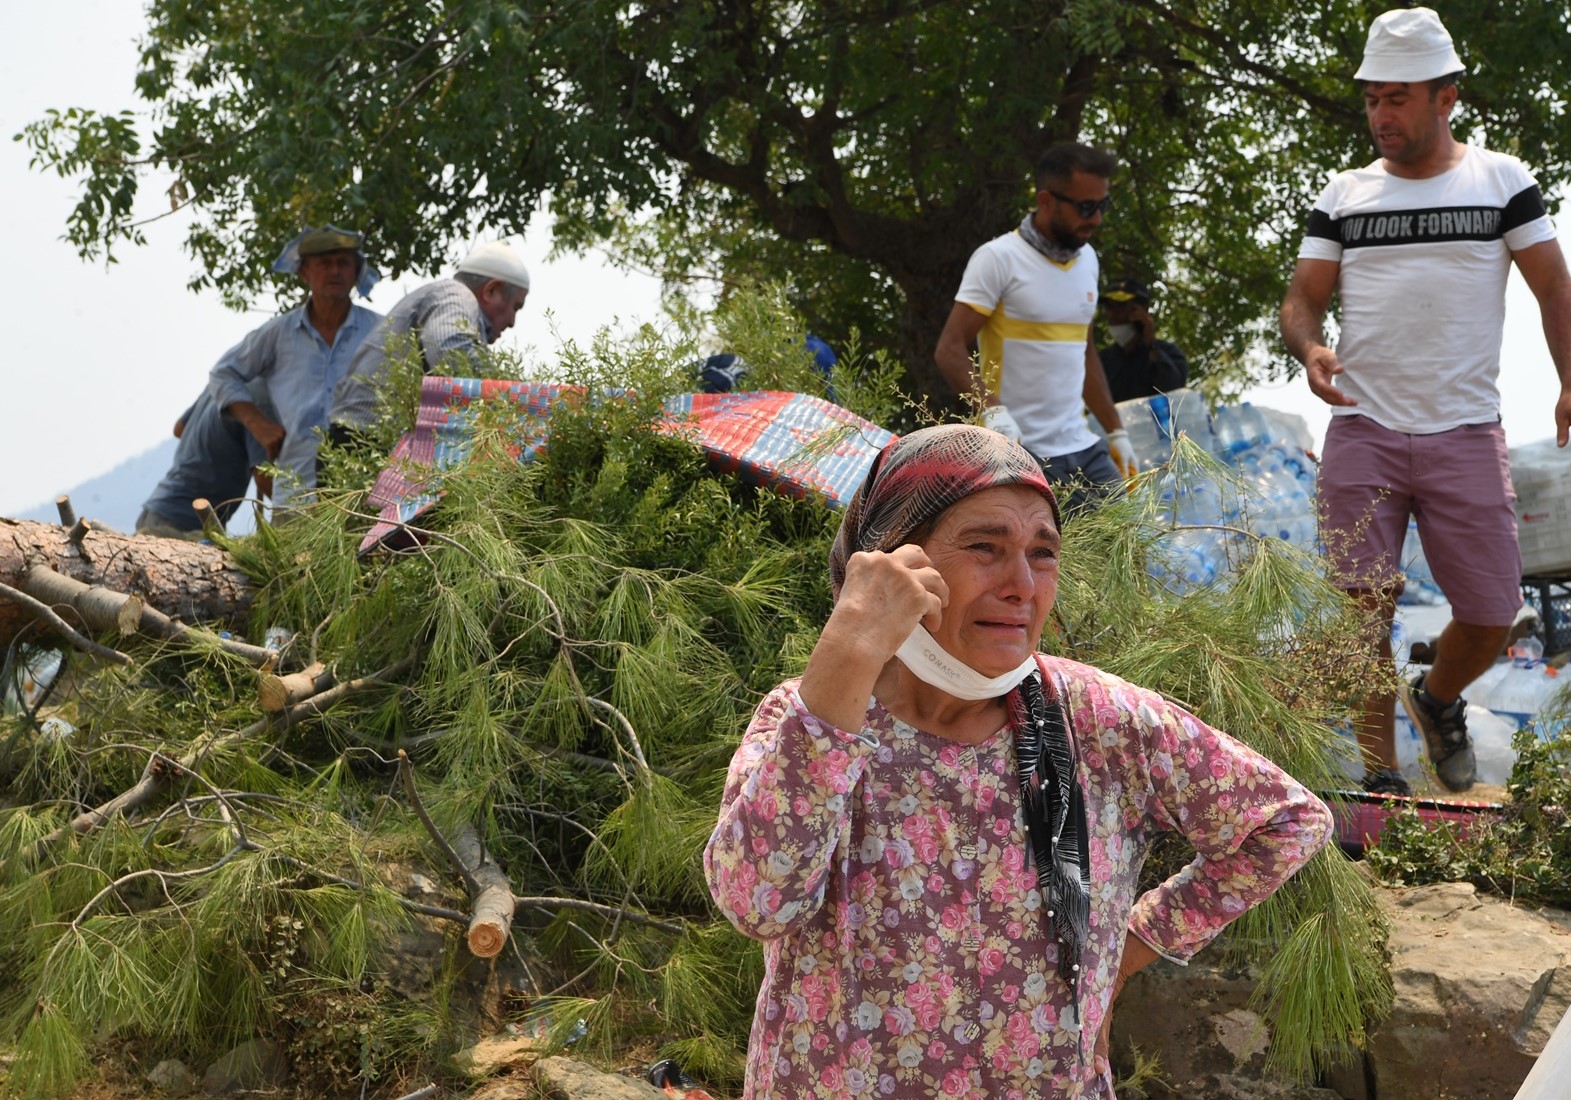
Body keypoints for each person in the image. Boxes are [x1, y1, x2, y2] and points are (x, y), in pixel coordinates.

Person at [703, 424, 1332, 1098]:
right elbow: (757, 906)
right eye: (984, 547)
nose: (1022, 584)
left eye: (1042, 552)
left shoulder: (1098, 720)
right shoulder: (817, 716)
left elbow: (1286, 823)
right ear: (891, 559)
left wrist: (1130, 948)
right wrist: (849, 650)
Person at [1279, 7, 1571, 796]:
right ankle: (1380, 779)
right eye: (1372, 97)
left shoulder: (1500, 181)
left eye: (1397, 97)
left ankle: (1437, 700)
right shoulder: (1344, 194)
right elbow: (1301, 299)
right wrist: (1309, 347)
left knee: (1490, 611)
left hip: (1465, 430)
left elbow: (1552, 285)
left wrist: (1569, 378)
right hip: (1361, 429)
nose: (1380, 114)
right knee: (1359, 617)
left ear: (1445, 97)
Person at [934, 143, 1138, 514]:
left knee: (1129, 552)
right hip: (1022, 453)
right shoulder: (998, 259)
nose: (1096, 220)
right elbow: (949, 349)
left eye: (1102, 206)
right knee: (1057, 568)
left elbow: (1085, 351)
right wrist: (993, 413)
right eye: (1085, 207)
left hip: (1083, 448)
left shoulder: (1088, 259)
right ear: (1046, 200)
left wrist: (1115, 430)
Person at [206, 225, 382, 510]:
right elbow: (223, 373)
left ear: (355, 272)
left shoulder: (380, 332)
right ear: (304, 273)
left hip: (364, 496)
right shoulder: (279, 334)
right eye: (325, 264)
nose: (335, 271)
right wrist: (257, 423)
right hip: (296, 495)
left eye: (343, 263)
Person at [325, 239, 531, 442]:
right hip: (363, 443)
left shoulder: (443, 297)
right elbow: (451, 351)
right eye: (516, 307)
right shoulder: (458, 296)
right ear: (491, 291)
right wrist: (513, 406)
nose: (512, 322)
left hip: (354, 439)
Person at [136, 386, 274, 539]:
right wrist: (298, 511)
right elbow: (264, 477)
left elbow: (179, 428)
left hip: (157, 510)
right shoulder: (258, 399)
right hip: (182, 523)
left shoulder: (223, 383)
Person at [1097, 276, 1189, 402]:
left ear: (1141, 310)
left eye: (1119, 306)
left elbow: (1172, 391)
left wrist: (1152, 345)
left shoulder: (1169, 353)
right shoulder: (1101, 361)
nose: (1112, 314)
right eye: (1109, 307)